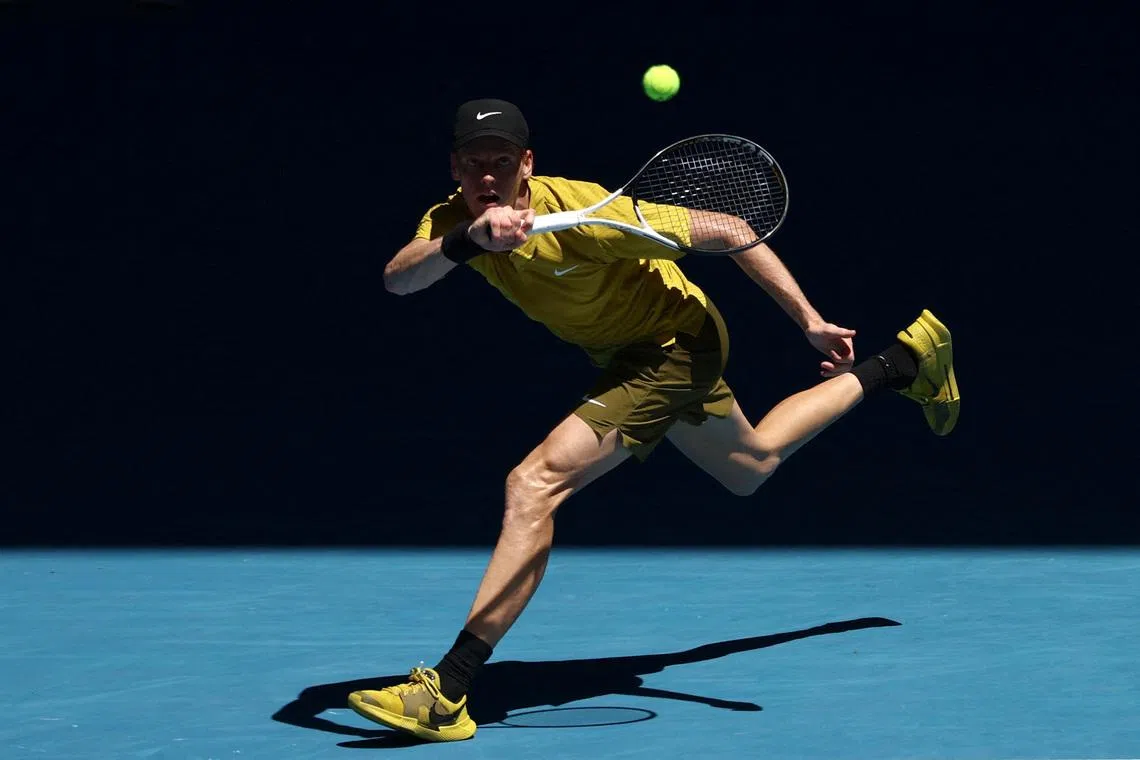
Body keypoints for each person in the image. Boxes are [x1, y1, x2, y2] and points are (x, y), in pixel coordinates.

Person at [347, 98, 960, 742]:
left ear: (529, 164)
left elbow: (724, 228)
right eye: (475, 164)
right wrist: (468, 239)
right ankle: (904, 362)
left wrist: (807, 320)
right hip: (624, 351)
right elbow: (398, 280)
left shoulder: (588, 218)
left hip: (674, 346)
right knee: (750, 467)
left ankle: (449, 687)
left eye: (504, 161)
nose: (489, 177)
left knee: (534, 484)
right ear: (455, 168)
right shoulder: (452, 219)